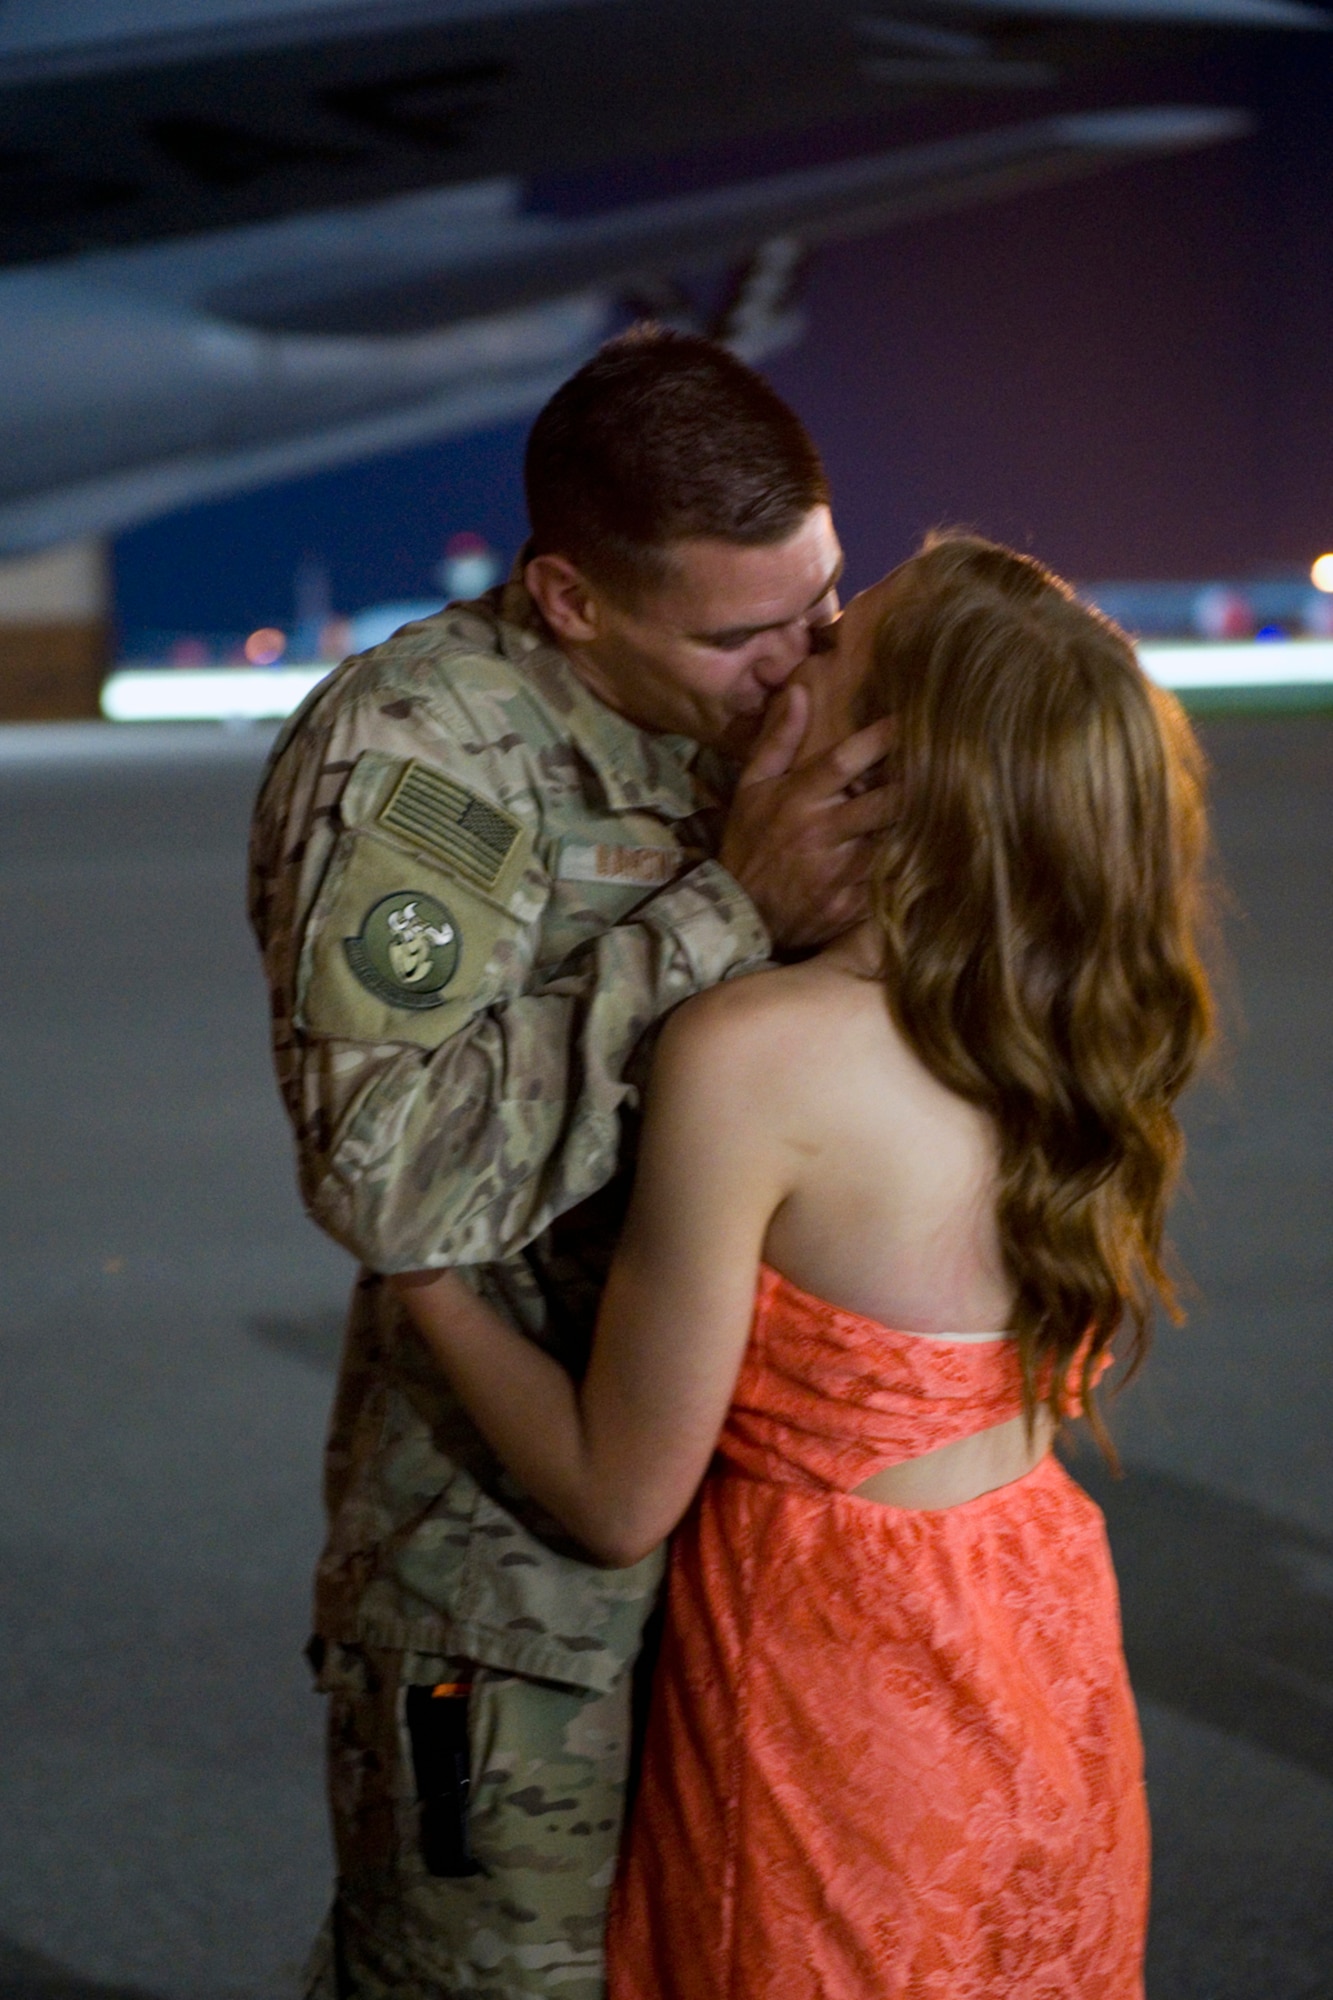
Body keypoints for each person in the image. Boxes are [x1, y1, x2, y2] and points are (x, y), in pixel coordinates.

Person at [391, 533, 1216, 1998]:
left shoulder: (756, 1057)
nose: (795, 649)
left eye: (833, 644)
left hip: (838, 1696)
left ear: (890, 765)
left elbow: (614, 1492)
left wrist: (424, 1276)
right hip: (1037, 1639)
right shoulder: (1073, 1026)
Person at [247, 327, 896, 1999]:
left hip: (780, 1529)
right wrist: (726, 912)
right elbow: (390, 1180)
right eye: (743, 634)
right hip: (515, 1576)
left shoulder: (782, 689)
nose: (801, 665)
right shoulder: (418, 761)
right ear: (569, 599)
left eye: (822, 602)